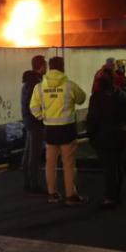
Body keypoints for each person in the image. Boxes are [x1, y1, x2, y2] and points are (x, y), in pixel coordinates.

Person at [30, 56, 88, 205]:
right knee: (68, 164)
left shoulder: (40, 87)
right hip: (67, 130)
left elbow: (33, 107)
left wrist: (43, 117)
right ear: (62, 67)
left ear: (50, 67)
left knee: (50, 163)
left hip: (49, 130)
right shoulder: (69, 85)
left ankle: (52, 194)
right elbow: (82, 98)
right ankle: (71, 195)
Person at [86, 69, 126, 209]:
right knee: (118, 166)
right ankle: (116, 195)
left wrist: (91, 135)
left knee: (109, 169)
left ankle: (110, 197)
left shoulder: (96, 97)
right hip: (121, 135)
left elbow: (92, 119)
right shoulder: (122, 95)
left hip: (104, 137)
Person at [20, 55, 48, 196]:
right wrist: (41, 117)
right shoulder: (35, 83)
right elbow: (35, 105)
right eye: (45, 65)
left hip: (29, 121)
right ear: (41, 66)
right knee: (34, 154)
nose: (47, 68)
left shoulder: (29, 81)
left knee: (29, 152)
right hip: (35, 122)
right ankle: (34, 184)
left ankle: (27, 182)